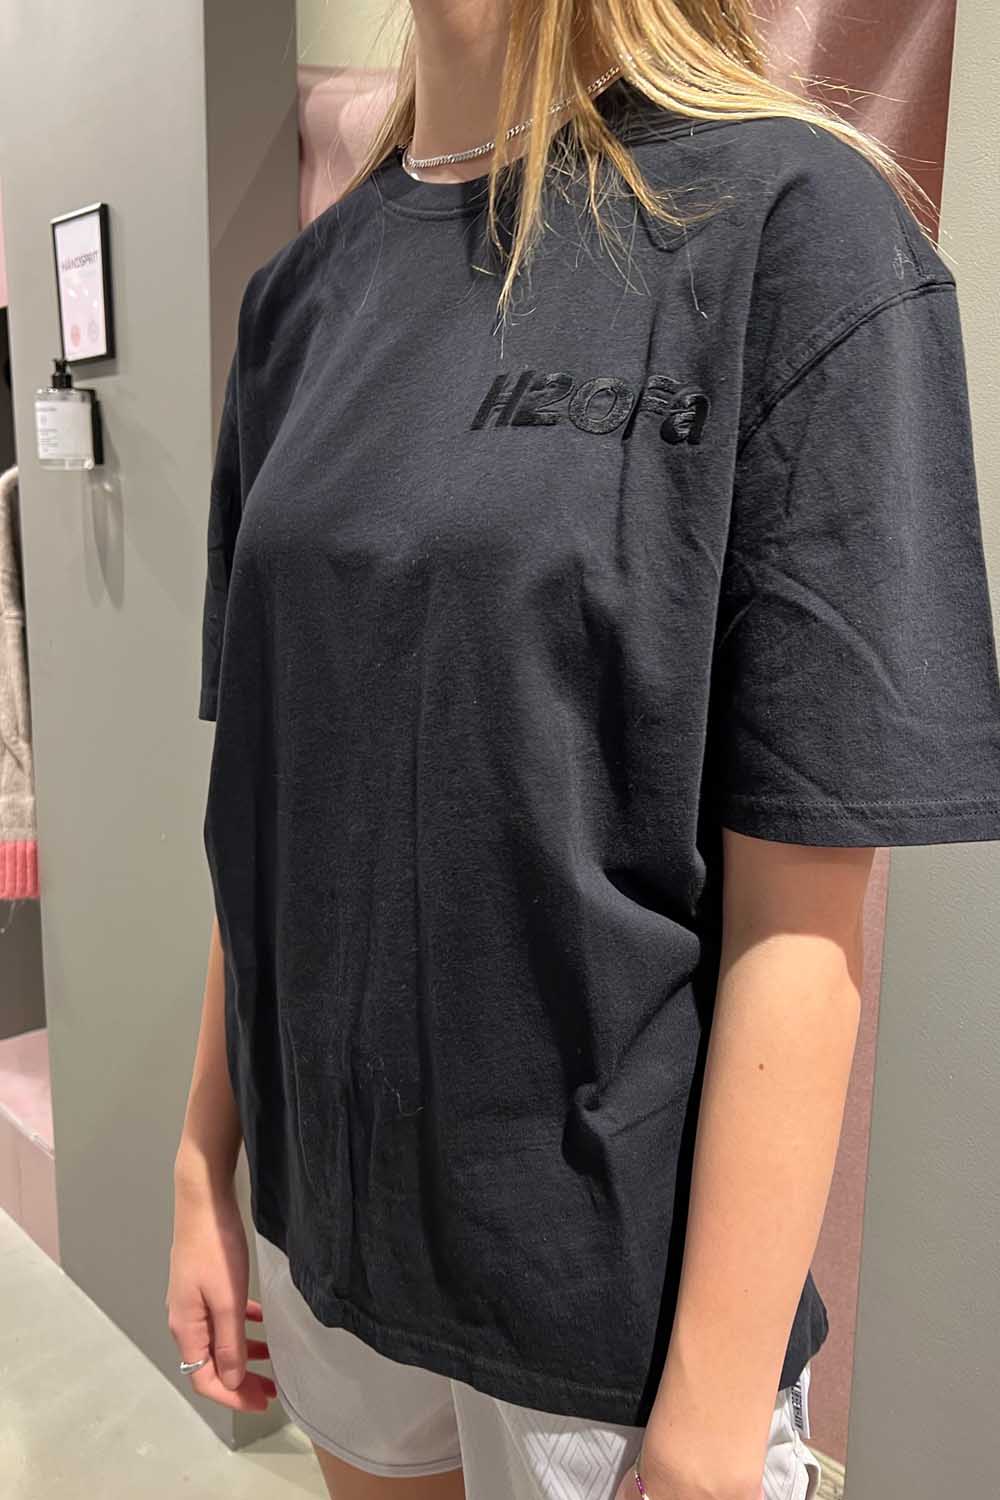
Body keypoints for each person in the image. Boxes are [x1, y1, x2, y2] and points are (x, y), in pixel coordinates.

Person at [167, 3, 1000, 1498]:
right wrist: (200, 1163)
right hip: (328, 1221)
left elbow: (804, 909)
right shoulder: (300, 299)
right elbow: (271, 802)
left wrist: (712, 1420)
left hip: (611, 1311)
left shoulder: (791, 227)